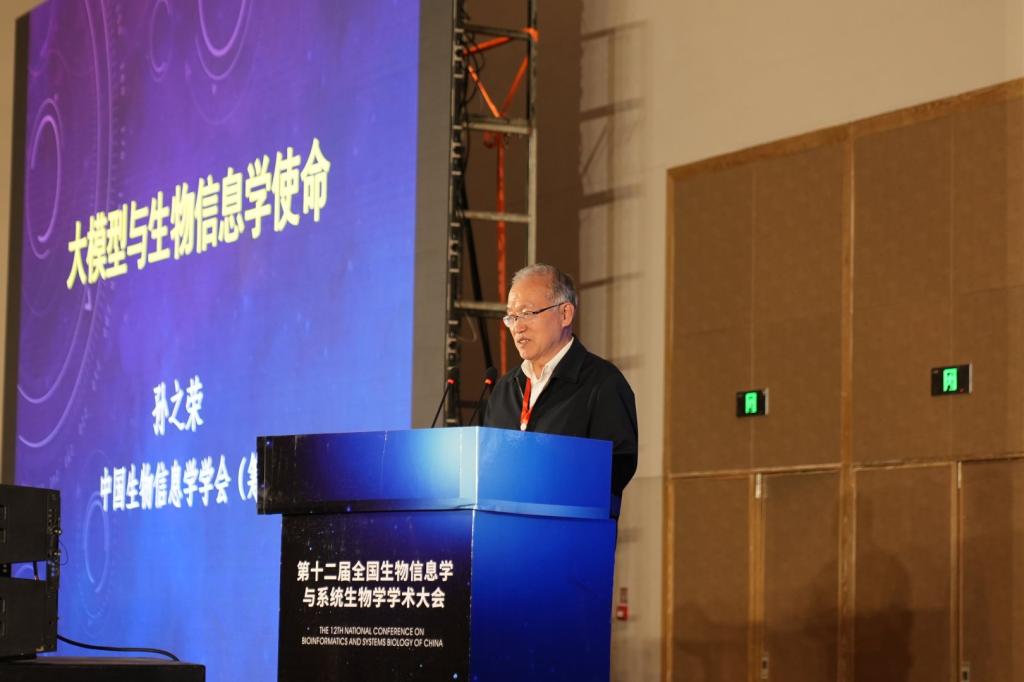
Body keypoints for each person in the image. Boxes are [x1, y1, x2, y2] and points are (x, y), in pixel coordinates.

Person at [482, 263, 638, 513]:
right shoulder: (504, 389)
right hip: (503, 532)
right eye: (512, 316)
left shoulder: (603, 383)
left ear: (565, 314)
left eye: (527, 313)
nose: (517, 327)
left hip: (568, 530)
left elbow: (617, 468)